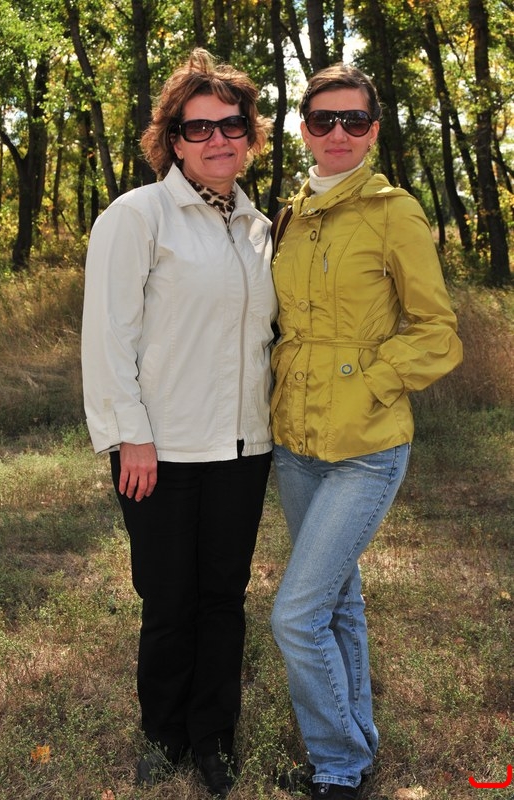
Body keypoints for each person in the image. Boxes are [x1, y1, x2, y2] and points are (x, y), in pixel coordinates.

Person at [81, 48, 276, 798]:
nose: (217, 139)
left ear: (250, 135)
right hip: (157, 450)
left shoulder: (259, 228)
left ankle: (213, 737)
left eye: (231, 124)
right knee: (169, 601)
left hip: (243, 448)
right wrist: (130, 435)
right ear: (173, 139)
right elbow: (108, 337)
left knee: (224, 597)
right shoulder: (138, 216)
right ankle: (162, 735)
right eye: (199, 128)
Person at [269, 63, 463, 800]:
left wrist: (372, 380)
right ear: (304, 130)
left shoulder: (394, 211)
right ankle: (354, 755)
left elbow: (437, 331)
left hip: (367, 447)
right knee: (336, 603)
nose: (338, 133)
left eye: (354, 120)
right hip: (295, 443)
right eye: (324, 119)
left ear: (374, 130)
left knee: (295, 616)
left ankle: (336, 760)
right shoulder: (288, 216)